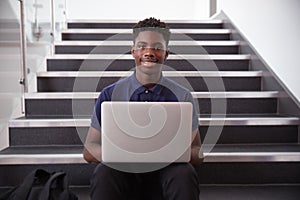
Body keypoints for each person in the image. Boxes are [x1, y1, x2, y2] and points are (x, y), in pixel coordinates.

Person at [83, 17, 203, 200]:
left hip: (166, 176)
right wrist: (121, 154)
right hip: (124, 175)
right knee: (104, 172)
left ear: (166, 54)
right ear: (133, 51)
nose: (149, 52)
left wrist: (173, 153)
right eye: (142, 46)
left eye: (157, 47)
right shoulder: (109, 94)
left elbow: (197, 152)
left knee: (184, 173)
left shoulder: (183, 96)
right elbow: (89, 149)